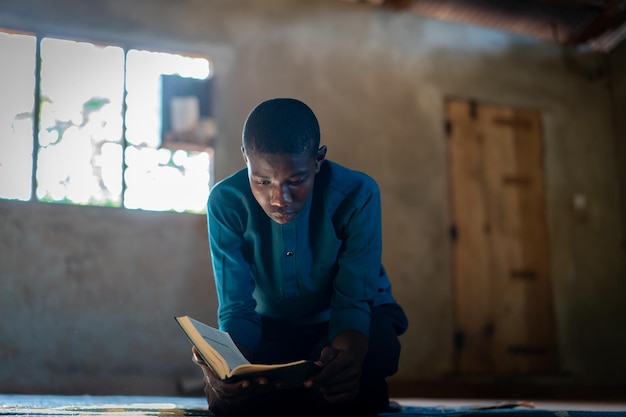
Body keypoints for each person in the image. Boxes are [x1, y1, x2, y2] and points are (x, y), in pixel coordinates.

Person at [191, 97, 408, 417]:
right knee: (227, 401)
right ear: (246, 159)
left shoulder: (358, 194)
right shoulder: (225, 202)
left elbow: (353, 304)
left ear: (318, 160)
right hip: (272, 327)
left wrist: (345, 367)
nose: (279, 199)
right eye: (262, 181)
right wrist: (228, 367)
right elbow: (237, 309)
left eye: (296, 180)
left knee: (363, 371)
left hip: (347, 323)